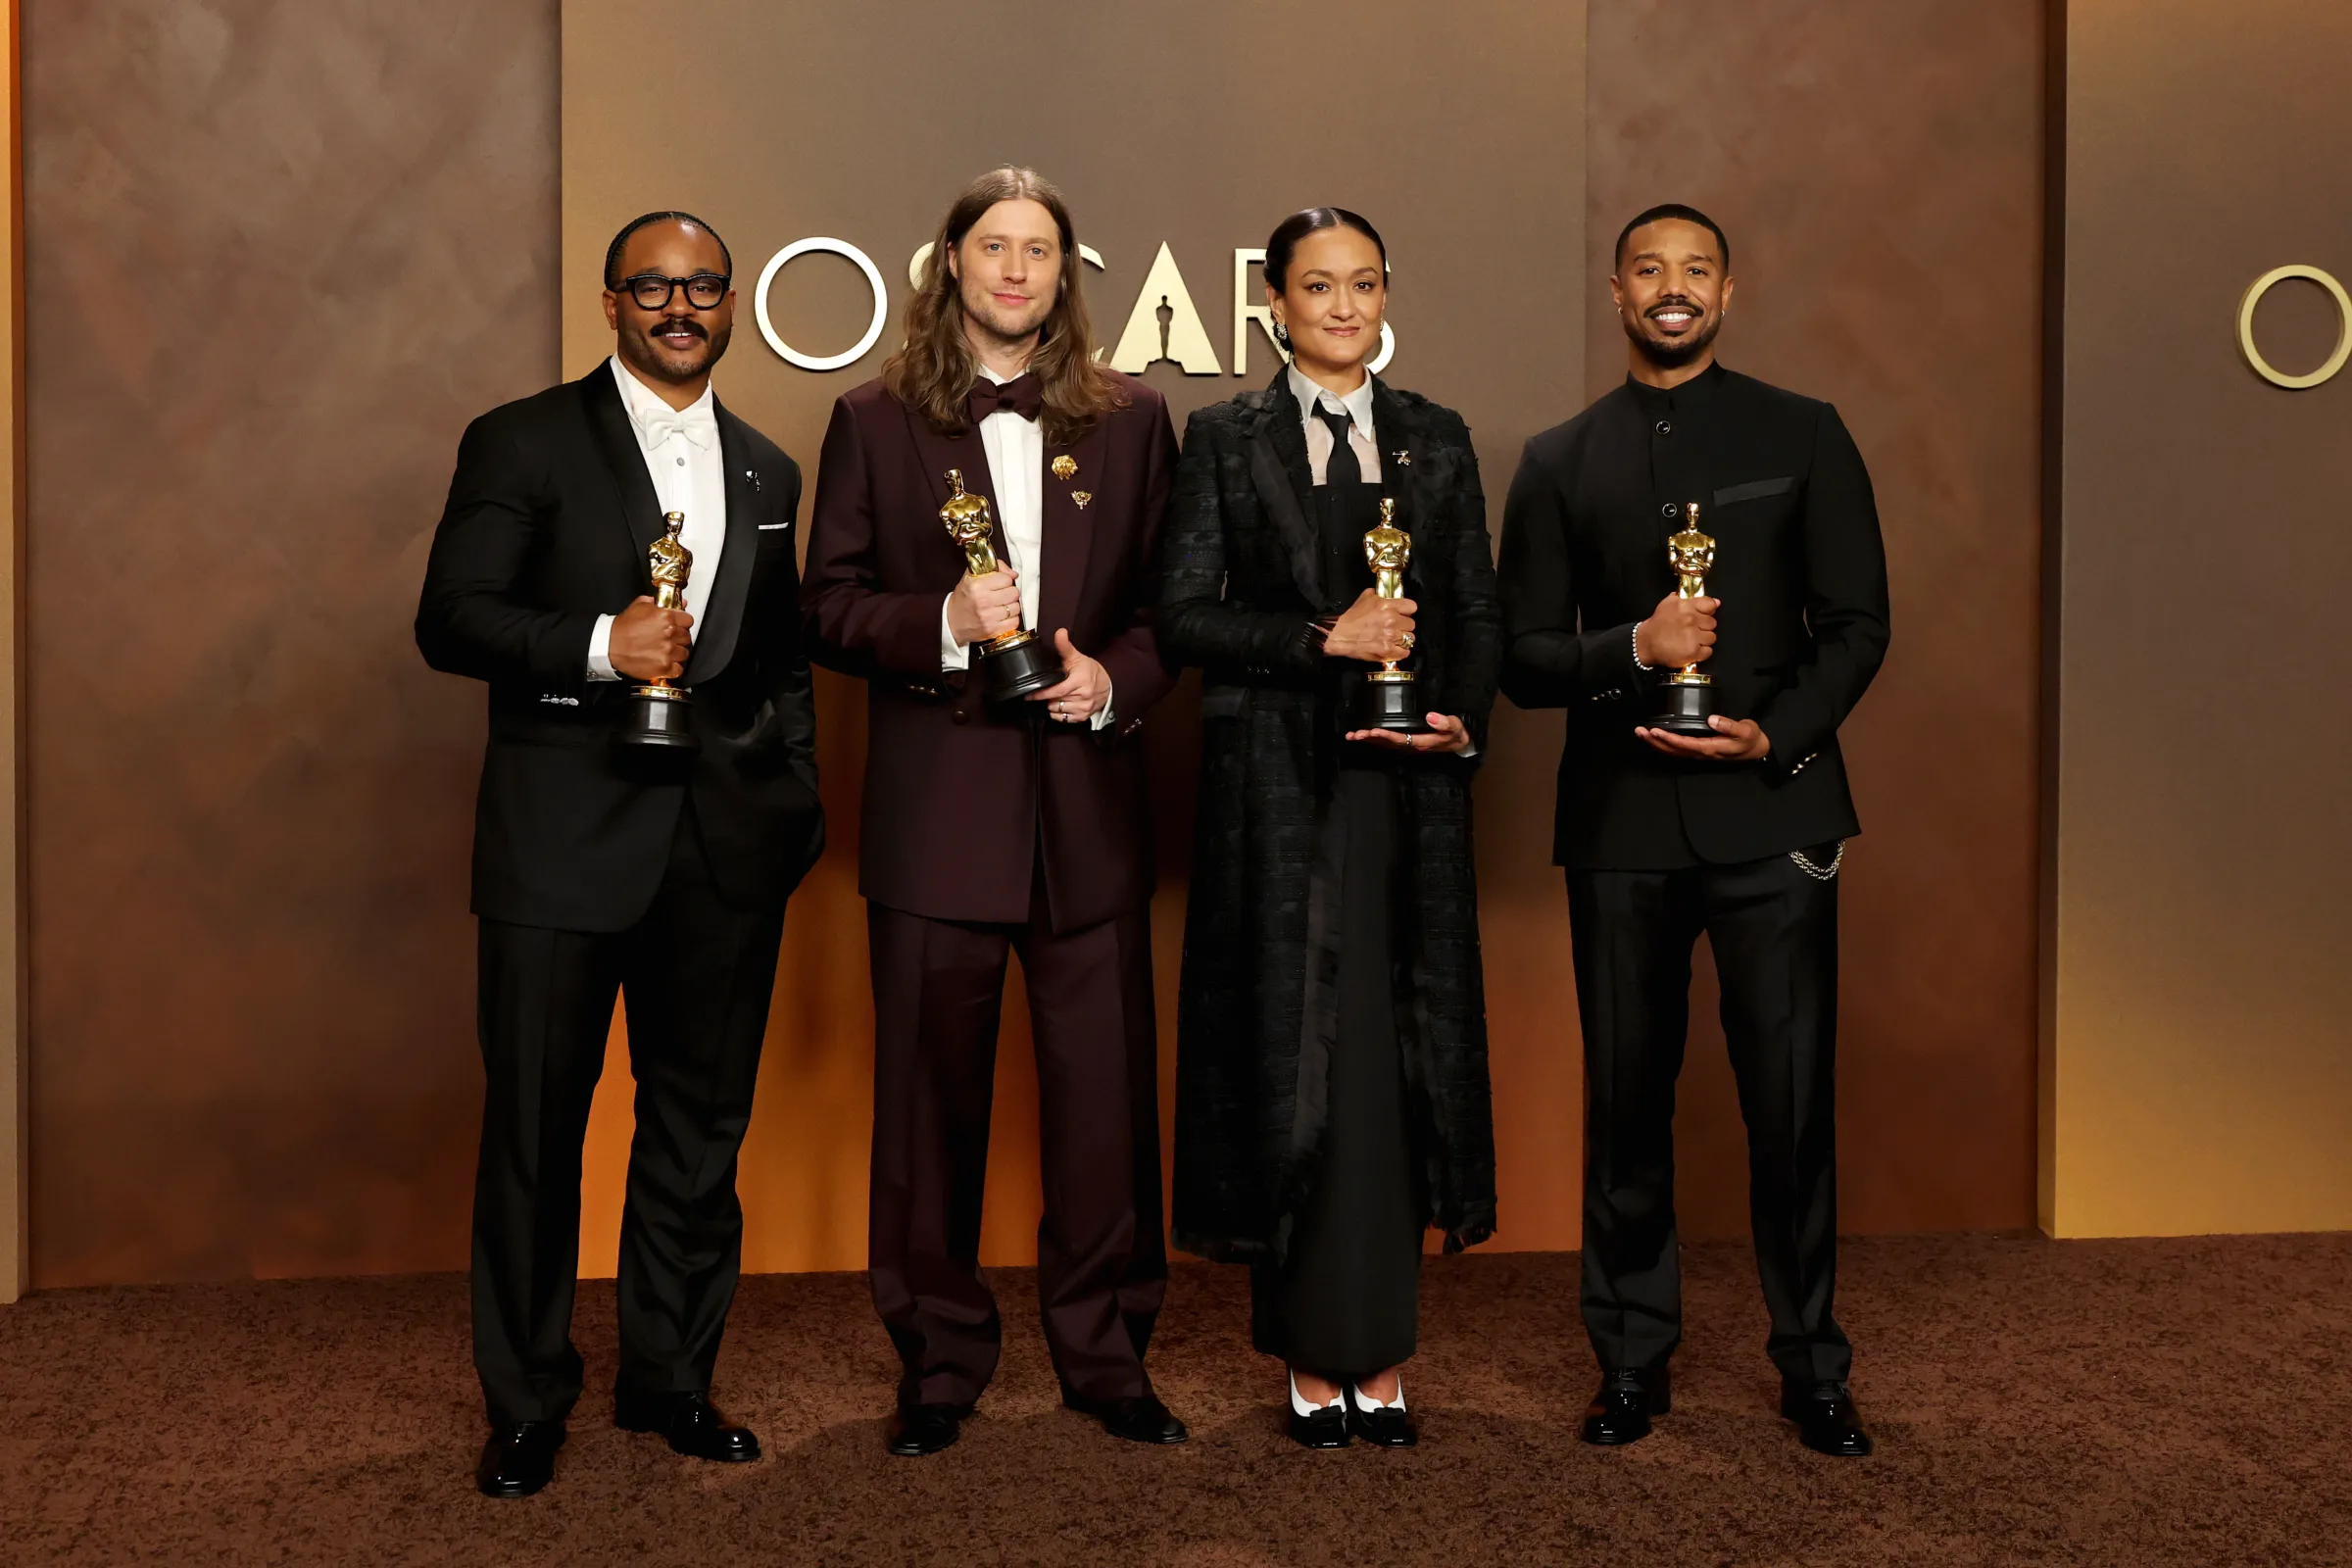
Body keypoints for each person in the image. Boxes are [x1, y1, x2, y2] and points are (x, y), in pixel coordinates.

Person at [416, 211, 823, 1496]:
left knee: (698, 1135)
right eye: (654, 286)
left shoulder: (767, 470)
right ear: (611, 303)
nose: (681, 306)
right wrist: (601, 645)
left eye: (705, 286)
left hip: (721, 856)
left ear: (731, 304)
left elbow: (781, 661)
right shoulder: (522, 437)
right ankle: (529, 1398)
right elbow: (452, 616)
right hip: (559, 847)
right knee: (537, 1132)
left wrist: (791, 806)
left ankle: (670, 1381)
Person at [801, 167, 1185, 1457]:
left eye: (1040, 250)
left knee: (1104, 1105)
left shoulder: (1135, 421)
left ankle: (1106, 1353)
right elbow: (830, 604)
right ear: (949, 265)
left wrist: (1111, 681)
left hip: (1088, 807)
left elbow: (1162, 618)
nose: (1016, 271)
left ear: (1064, 274)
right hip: (938, 816)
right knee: (928, 1107)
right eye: (993, 247)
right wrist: (943, 627)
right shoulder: (870, 418)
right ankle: (940, 1359)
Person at [1497, 203, 1891, 1457]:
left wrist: (1776, 734)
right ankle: (1629, 1360)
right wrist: (1636, 650)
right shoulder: (1561, 459)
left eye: (1697, 270)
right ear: (1615, 290)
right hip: (1619, 827)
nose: (1675, 289)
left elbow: (1859, 624)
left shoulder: (1805, 433)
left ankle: (1813, 1366)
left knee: (1791, 1107)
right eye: (1651, 269)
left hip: (1775, 816)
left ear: (1730, 289)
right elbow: (1521, 659)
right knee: (1625, 1105)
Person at [1161, 207, 1500, 1449]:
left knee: (1389, 1069)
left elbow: (1473, 608)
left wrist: (1461, 722)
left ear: (1386, 295)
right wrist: (1323, 640)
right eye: (1318, 286)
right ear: (1275, 304)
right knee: (1294, 1062)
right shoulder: (1221, 437)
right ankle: (1312, 1358)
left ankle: (1385, 1355)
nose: (1343, 306)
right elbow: (1185, 614)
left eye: (1363, 283)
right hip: (1278, 807)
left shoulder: (1438, 438)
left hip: (1407, 798)